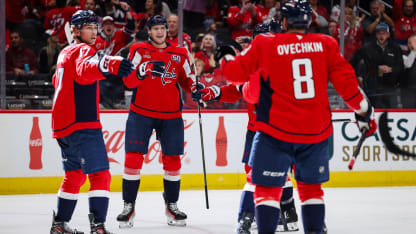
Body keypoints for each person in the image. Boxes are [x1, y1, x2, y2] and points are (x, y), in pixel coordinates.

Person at [220, 1, 377, 233]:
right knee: (311, 191)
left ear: (284, 21)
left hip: (275, 132)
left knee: (266, 190)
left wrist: (225, 56)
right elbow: (349, 86)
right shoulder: (326, 43)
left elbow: (234, 74)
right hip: (315, 133)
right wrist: (364, 114)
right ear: (309, 20)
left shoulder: (266, 44)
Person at [50, 10, 133, 234]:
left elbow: (57, 79)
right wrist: (111, 65)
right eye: (89, 27)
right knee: (100, 174)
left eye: (95, 27)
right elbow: (85, 69)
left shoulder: (65, 52)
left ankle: (59, 226)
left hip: (62, 125)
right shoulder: (84, 50)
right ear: (76, 31)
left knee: (74, 175)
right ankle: (98, 227)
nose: (94, 31)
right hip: (82, 123)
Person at [116, 15, 199, 228]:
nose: (160, 32)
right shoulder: (138, 50)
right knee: (133, 159)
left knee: (173, 161)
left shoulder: (180, 53)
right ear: (149, 31)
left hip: (171, 115)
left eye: (163, 28)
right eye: (156, 29)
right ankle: (128, 206)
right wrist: (142, 71)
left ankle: (172, 205)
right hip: (140, 113)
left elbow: (188, 81)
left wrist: (197, 88)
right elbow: (128, 80)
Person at [349, 23, 403, 108]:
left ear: (388, 34)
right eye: (379, 33)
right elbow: (352, 63)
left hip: (390, 89)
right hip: (372, 89)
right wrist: (358, 76)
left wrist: (391, 69)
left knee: (390, 114)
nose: (381, 36)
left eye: (384, 33)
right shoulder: (367, 48)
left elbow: (401, 67)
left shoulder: (395, 48)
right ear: (376, 35)